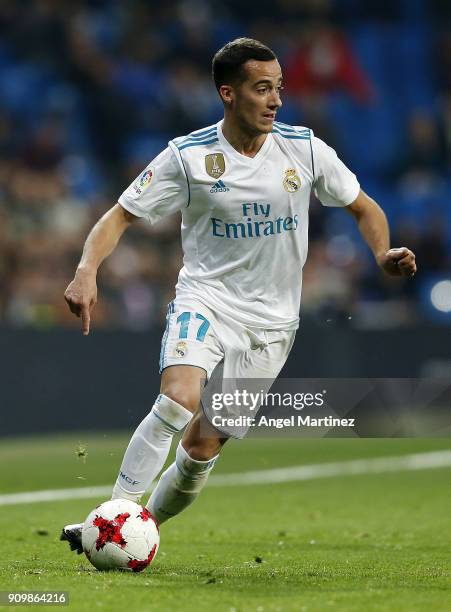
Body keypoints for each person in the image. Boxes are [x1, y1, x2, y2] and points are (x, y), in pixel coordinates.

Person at [61, 38, 417, 553]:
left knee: (203, 445)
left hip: (272, 324)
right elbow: (119, 215)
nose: (275, 100)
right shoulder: (189, 157)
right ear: (228, 94)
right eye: (262, 89)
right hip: (205, 300)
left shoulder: (305, 149)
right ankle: (110, 521)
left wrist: (382, 254)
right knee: (178, 398)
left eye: (278, 88)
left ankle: (144, 528)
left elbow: (365, 207)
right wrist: (86, 270)